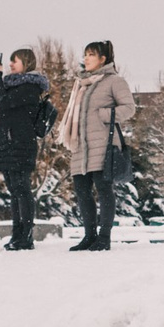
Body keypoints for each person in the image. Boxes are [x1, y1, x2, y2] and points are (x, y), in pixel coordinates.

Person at [57, 40, 136, 252]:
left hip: (104, 144)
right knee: (82, 191)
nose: (86, 58)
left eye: (91, 55)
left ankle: (104, 237)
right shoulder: (81, 84)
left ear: (103, 59)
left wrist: (105, 115)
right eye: (85, 54)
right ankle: (89, 236)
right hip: (80, 146)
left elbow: (129, 108)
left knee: (103, 189)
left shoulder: (114, 81)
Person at [0, 49, 52, 252]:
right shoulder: (9, 85)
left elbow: (4, 101)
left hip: (21, 144)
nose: (11, 64)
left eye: (15, 61)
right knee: (14, 190)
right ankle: (17, 233)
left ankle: (26, 236)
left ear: (26, 62)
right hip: (7, 144)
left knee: (22, 189)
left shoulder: (30, 87)